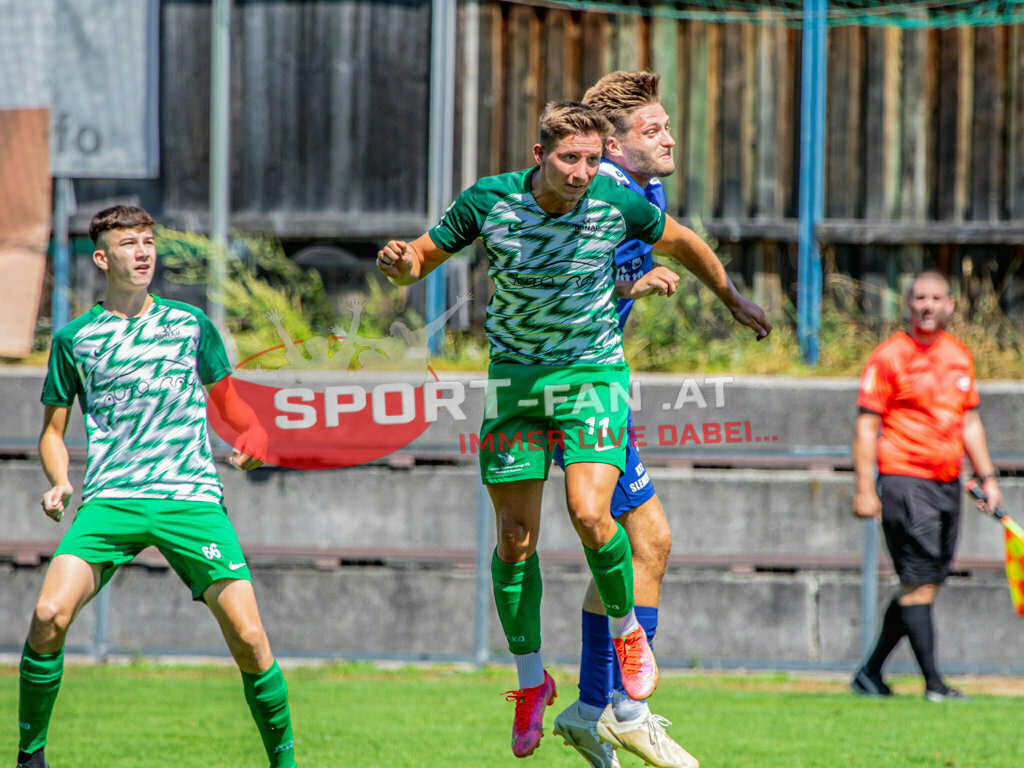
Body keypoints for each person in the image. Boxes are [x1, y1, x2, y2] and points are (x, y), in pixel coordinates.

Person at [377, 102, 770, 759]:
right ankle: (532, 687)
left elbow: (683, 240)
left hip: (592, 378)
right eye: (570, 159)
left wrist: (731, 298)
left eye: (592, 159)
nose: (583, 172)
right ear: (540, 155)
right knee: (515, 539)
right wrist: (399, 264)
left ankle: (627, 636)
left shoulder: (616, 201)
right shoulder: (490, 202)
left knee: (591, 513)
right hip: (516, 387)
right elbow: (421, 256)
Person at [16, 206, 296, 768]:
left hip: (190, 498)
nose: (142, 252)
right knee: (48, 615)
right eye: (128, 244)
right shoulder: (75, 340)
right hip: (111, 500)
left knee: (249, 636)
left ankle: (285, 764)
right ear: (102, 258)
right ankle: (30, 756)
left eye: (147, 242)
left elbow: (237, 412)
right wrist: (58, 480)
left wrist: (256, 435)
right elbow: (51, 432)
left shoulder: (191, 325)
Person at [551, 70, 698, 768]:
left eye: (666, 126)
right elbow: (556, 278)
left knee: (637, 549)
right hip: (567, 389)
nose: (668, 138)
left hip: (599, 387)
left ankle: (591, 708)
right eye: (652, 130)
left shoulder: (648, 192)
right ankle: (624, 711)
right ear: (612, 146)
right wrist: (628, 282)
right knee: (649, 542)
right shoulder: (592, 197)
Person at [851, 270, 1001, 702]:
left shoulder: (959, 356)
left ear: (950, 305)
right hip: (903, 478)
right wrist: (865, 488)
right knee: (918, 580)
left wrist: (987, 477)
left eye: (936, 298)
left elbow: (969, 420)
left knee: (927, 581)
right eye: (920, 298)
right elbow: (866, 426)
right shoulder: (890, 356)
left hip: (947, 481)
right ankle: (935, 684)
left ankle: (870, 673)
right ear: (908, 304)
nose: (928, 305)